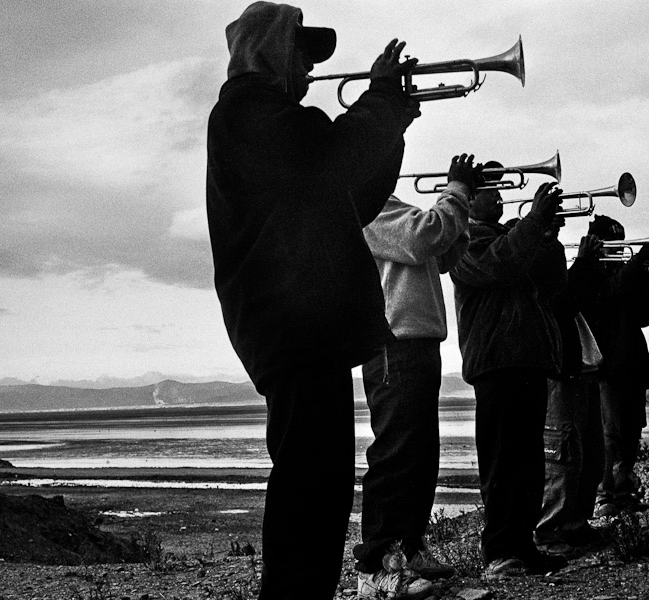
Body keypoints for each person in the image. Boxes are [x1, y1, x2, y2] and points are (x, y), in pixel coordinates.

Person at [206, 3, 421, 599]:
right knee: (310, 484)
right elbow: (332, 161)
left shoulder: (269, 120)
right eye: (301, 53)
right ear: (272, 54)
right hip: (291, 325)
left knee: (321, 483)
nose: (307, 68)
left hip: (302, 326)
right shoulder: (248, 114)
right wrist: (377, 104)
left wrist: (391, 122)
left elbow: (354, 196)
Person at [353, 154, 475, 598]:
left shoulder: (393, 206)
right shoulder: (367, 206)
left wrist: (462, 215)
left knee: (420, 454)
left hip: (417, 342)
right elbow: (423, 238)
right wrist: (456, 192)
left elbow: (441, 256)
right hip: (393, 343)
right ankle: (375, 568)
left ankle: (409, 546)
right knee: (395, 454)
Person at [449, 166, 569, 579]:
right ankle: (500, 552)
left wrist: (548, 235)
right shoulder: (463, 239)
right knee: (503, 461)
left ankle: (522, 545)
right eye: (492, 189)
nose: (501, 196)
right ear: (469, 197)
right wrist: (534, 222)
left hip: (528, 358)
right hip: (496, 361)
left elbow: (553, 284)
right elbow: (499, 265)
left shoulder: (512, 235)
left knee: (528, 462)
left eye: (503, 188)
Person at [578, 216, 649, 517]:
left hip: (632, 364)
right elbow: (608, 294)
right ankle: (605, 495)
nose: (618, 249)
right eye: (612, 243)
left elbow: (648, 315)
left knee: (631, 431)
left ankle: (623, 489)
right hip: (606, 367)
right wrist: (635, 268)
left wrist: (646, 280)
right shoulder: (589, 272)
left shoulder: (627, 274)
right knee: (609, 434)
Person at [534, 234, 607, 557]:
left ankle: (575, 522)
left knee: (589, 455)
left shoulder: (564, 272)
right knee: (561, 455)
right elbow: (561, 300)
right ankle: (549, 530)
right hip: (561, 373)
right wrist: (583, 263)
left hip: (583, 371)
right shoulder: (539, 273)